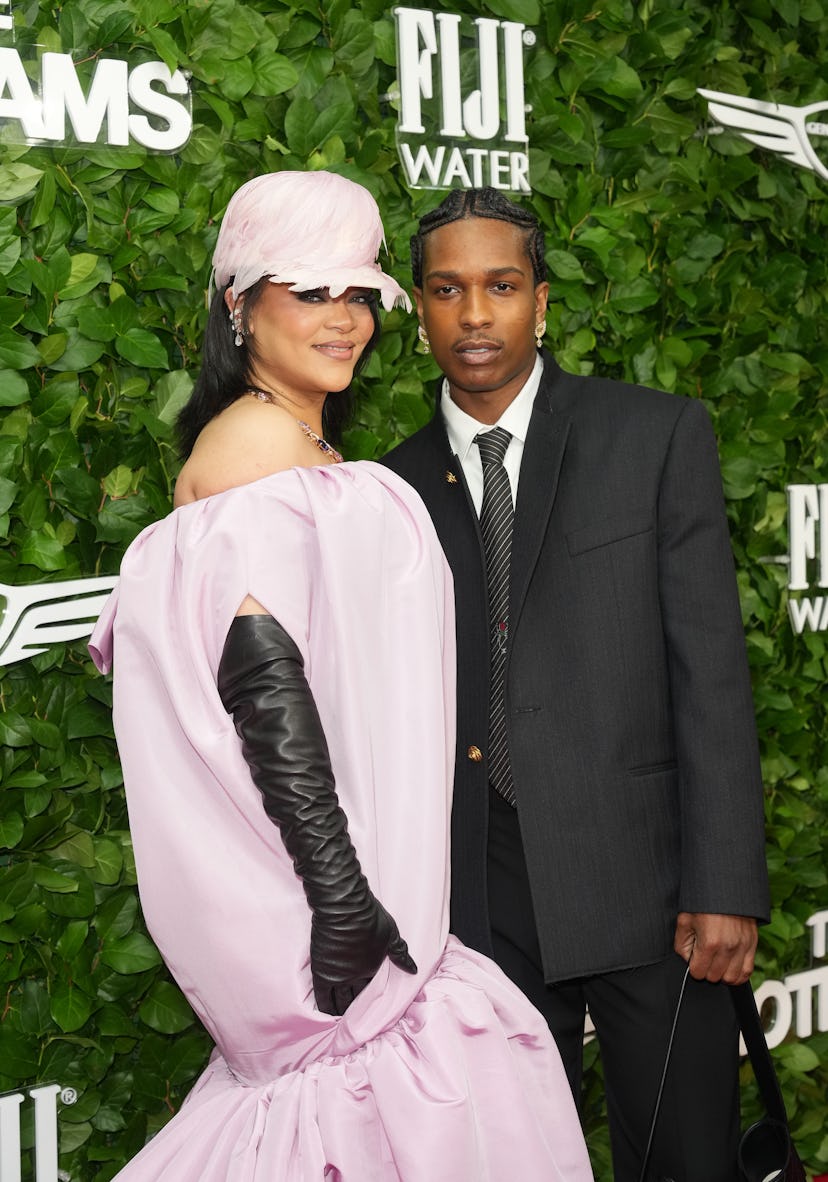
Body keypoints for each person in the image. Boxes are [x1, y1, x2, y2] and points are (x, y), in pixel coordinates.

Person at [89, 171, 593, 1182]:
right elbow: (260, 682)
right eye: (312, 291)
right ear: (240, 305)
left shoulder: (300, 442)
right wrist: (342, 897)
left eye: (359, 293)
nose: (346, 319)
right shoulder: (255, 449)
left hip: (367, 892)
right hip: (338, 909)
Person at [382, 187, 771, 1182]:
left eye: (501, 286)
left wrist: (724, 883)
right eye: (447, 289)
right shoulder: (386, 489)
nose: (475, 315)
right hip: (479, 898)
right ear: (419, 309)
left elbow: (711, 670)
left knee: (688, 1161)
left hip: (650, 888)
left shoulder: (653, 435)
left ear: (541, 302)